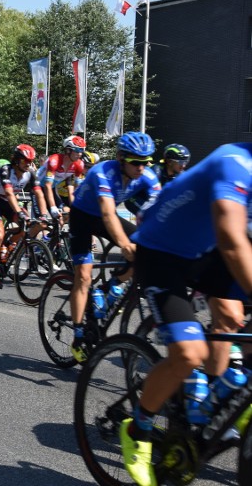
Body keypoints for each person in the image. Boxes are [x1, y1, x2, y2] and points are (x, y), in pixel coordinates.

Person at [119, 143, 252, 486]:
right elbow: (232, 239)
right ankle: (138, 428)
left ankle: (213, 400)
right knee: (189, 354)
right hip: (163, 254)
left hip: (206, 254)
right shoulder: (234, 162)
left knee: (233, 321)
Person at [67, 131, 161, 363]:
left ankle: (113, 284)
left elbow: (162, 209)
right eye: (136, 162)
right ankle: (78, 334)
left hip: (103, 217)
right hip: (83, 216)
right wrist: (124, 245)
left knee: (144, 248)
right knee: (84, 276)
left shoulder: (147, 176)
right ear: (121, 158)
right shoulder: (102, 173)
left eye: (146, 161)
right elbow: (109, 214)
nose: (142, 167)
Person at [0, 144, 48, 289]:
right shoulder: (6, 170)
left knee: (26, 228)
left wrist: (43, 215)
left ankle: (7, 245)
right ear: (16, 160)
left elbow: (39, 194)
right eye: (26, 160)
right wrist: (19, 212)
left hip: (10, 203)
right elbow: (9, 193)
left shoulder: (30, 172)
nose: (29, 164)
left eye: (31, 161)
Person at [40, 135, 86, 219]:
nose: (80, 153)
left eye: (82, 150)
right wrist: (53, 206)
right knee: (42, 222)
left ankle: (54, 232)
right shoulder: (54, 161)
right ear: (68, 150)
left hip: (52, 188)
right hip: (38, 187)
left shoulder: (79, 164)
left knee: (63, 216)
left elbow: (77, 188)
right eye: (77, 150)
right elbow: (47, 185)